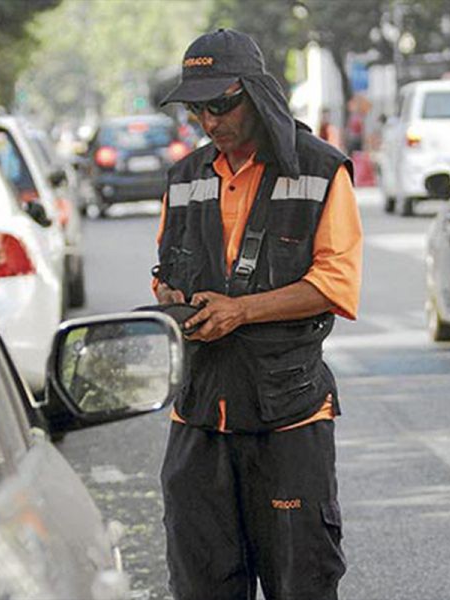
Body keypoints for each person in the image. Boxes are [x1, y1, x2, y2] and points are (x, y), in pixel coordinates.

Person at [153, 28, 363, 600]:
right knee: (200, 585)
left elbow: (335, 282)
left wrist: (241, 312)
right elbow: (165, 275)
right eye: (198, 107)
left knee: (303, 583)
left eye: (222, 104)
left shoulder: (321, 170)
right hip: (199, 418)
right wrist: (173, 302)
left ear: (258, 94)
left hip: (288, 416)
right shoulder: (185, 179)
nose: (210, 120)